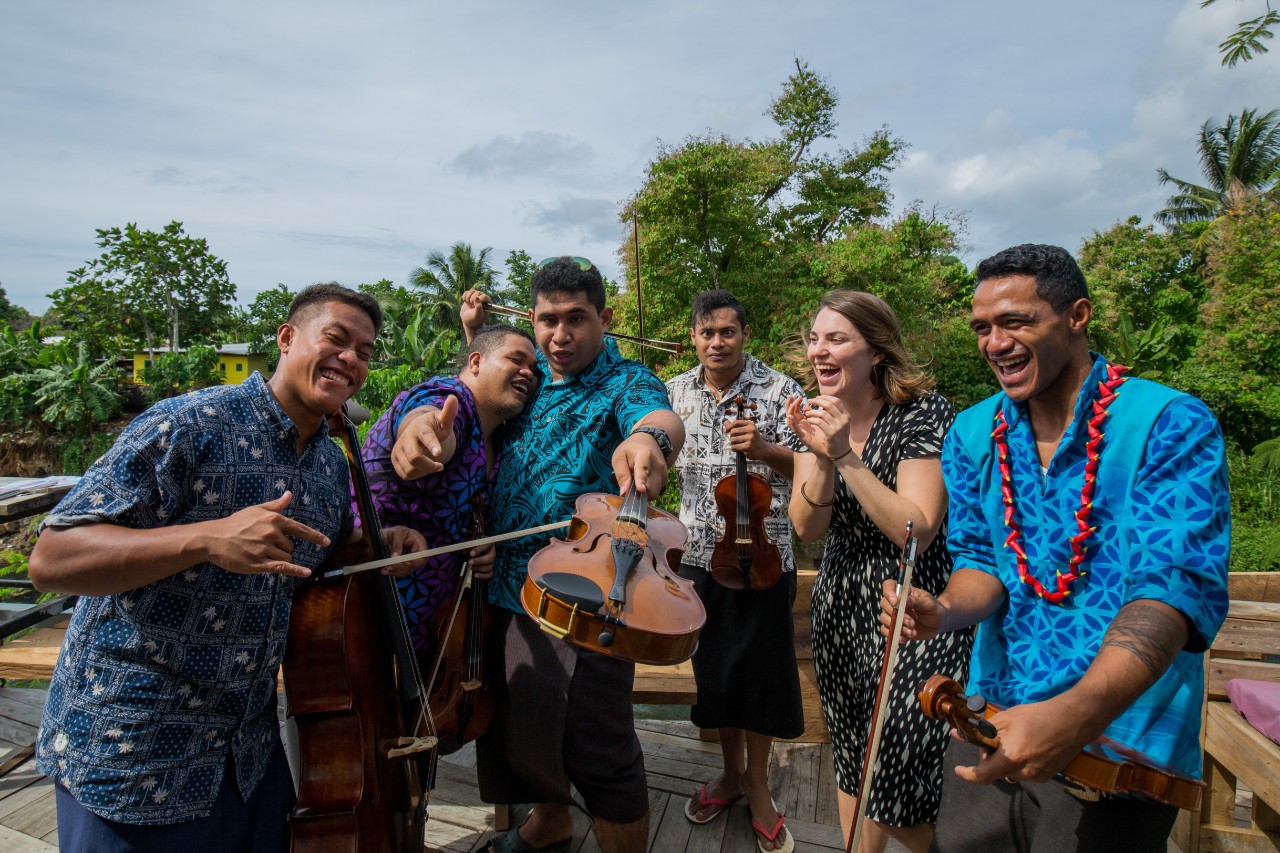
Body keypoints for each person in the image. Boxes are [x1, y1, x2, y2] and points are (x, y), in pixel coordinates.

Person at [27, 283, 428, 853]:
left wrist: (379, 541)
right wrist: (205, 539)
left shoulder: (328, 466)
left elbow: (326, 552)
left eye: (364, 352)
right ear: (287, 339)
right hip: (135, 751)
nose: (351, 360)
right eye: (336, 340)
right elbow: (51, 558)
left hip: (248, 759)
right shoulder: (189, 424)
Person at [882, 244, 1231, 852]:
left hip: (1118, 735)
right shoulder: (970, 432)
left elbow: (1172, 590)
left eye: (1016, 322)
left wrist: (1074, 714)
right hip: (993, 715)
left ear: (1077, 316)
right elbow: (982, 563)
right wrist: (945, 610)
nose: (995, 343)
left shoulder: (1170, 422)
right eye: (983, 328)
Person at [459, 256, 685, 853]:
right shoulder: (527, 380)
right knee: (519, 728)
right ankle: (551, 824)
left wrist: (647, 439)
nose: (561, 336)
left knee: (597, 746)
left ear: (605, 318)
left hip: (588, 598)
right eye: (548, 320)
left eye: (577, 319)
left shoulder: (625, 380)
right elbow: (472, 399)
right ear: (531, 320)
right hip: (506, 586)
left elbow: (658, 419)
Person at [787, 290, 970, 853]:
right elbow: (806, 528)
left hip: (915, 605)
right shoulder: (812, 411)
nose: (820, 350)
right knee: (851, 751)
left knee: (900, 759)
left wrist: (846, 456)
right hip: (841, 599)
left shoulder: (923, 414)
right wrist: (818, 453)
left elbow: (916, 530)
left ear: (877, 353)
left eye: (836, 339)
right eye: (815, 338)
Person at [665, 289, 803, 853]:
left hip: (766, 561)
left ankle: (759, 785)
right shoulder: (671, 392)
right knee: (717, 675)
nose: (716, 342)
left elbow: (814, 465)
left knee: (764, 676)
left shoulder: (780, 390)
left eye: (727, 331)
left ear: (745, 334)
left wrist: (767, 449)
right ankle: (728, 773)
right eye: (706, 332)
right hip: (698, 557)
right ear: (694, 337)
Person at [360, 323, 540, 654]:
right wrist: (422, 432)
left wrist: (484, 549)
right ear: (475, 362)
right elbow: (430, 418)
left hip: (440, 632)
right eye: (516, 360)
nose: (528, 372)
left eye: (533, 368)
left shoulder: (501, 439)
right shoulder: (444, 397)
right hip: (372, 614)